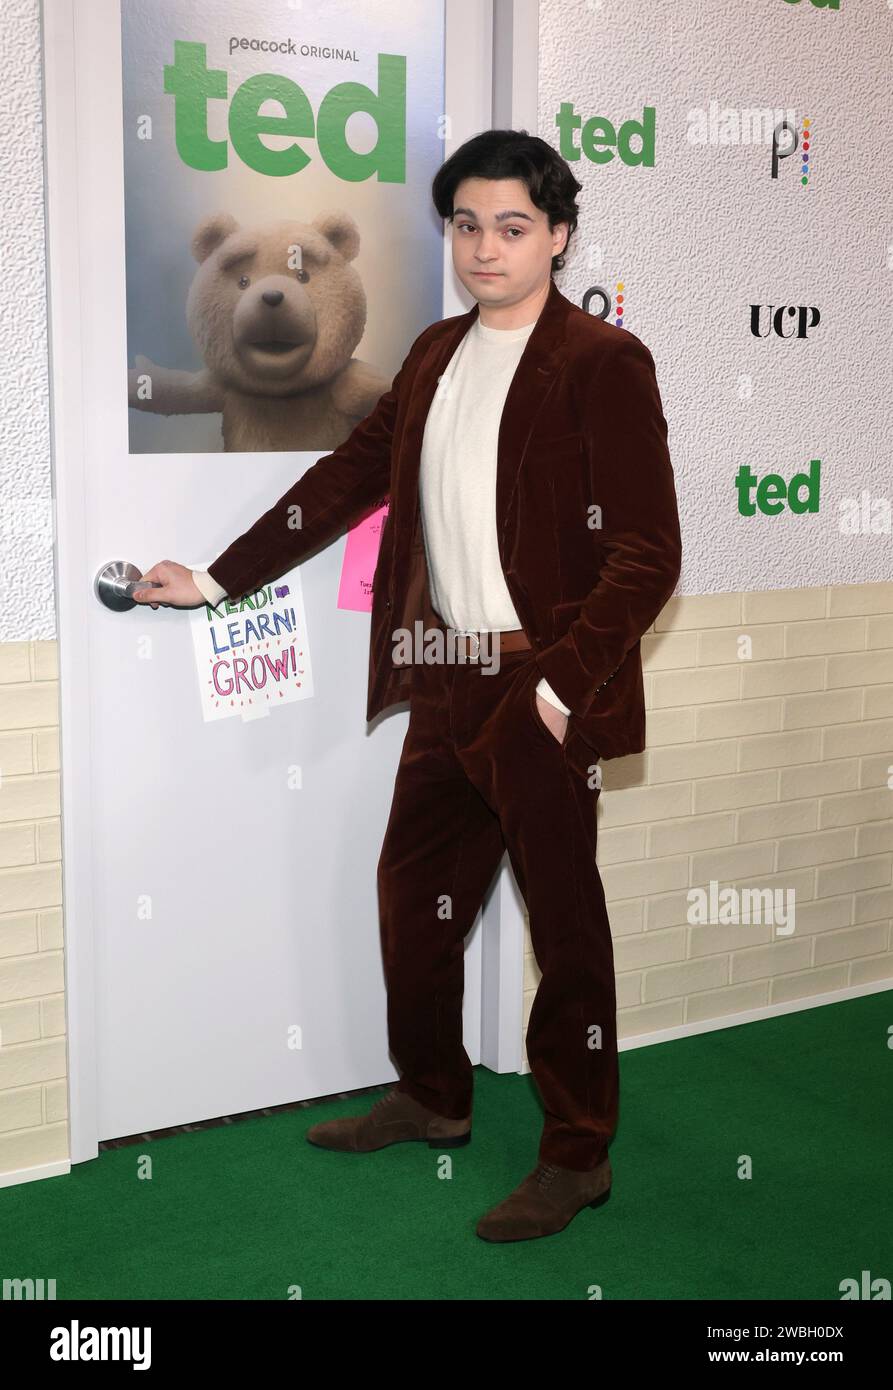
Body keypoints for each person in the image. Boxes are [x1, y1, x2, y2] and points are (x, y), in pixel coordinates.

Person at [133, 128, 682, 1242]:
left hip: (539, 683)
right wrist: (217, 578)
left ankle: (577, 1153)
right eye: (467, 224)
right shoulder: (431, 354)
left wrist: (561, 684)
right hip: (445, 675)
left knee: (563, 929)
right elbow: (346, 476)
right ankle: (432, 1094)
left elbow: (646, 550)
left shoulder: (600, 362)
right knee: (411, 904)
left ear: (557, 235)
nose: (485, 247)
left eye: (512, 226)